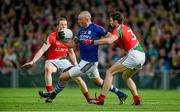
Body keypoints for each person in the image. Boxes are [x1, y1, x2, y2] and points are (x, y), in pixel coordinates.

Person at [43, 11, 128, 104]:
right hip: (85, 62)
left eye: (80, 19)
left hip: (89, 62)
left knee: (63, 77)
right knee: (99, 82)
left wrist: (95, 41)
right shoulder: (81, 30)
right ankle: (121, 94)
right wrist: (61, 40)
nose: (78, 21)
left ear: (87, 19)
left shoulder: (97, 29)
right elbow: (71, 45)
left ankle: (52, 95)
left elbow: (111, 37)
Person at [21, 18, 91, 103]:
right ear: (57, 26)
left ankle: (89, 99)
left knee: (78, 79)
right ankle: (50, 94)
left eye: (65, 25)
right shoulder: (52, 36)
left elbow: (71, 52)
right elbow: (42, 50)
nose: (64, 26)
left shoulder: (68, 37)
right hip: (52, 60)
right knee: (48, 69)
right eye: (62, 25)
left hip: (64, 60)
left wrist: (76, 65)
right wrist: (33, 61)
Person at [84, 11, 145, 105]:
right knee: (126, 76)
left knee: (109, 72)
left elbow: (109, 41)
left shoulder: (117, 29)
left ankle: (101, 99)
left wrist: (93, 42)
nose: (110, 22)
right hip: (141, 55)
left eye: (111, 21)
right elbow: (122, 42)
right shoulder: (127, 28)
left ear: (116, 21)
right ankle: (137, 100)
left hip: (134, 54)